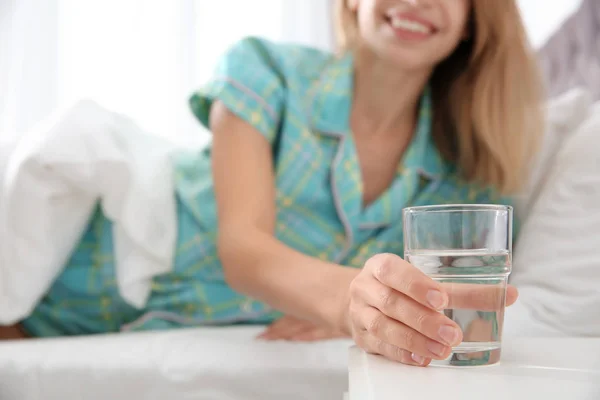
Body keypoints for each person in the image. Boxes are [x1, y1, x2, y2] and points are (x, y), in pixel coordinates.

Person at [2, 0, 542, 367]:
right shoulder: (264, 68)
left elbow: (452, 310)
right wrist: (346, 301)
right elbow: (243, 249)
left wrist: (376, 310)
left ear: (474, 19)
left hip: (126, 325)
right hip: (75, 266)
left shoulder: (467, 180)